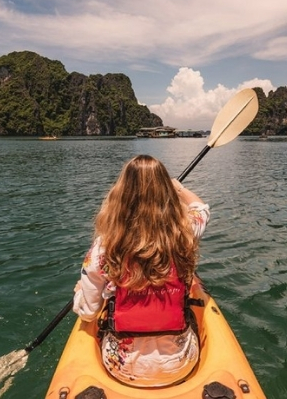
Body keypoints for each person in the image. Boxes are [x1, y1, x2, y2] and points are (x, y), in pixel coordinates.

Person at [72, 154, 211, 387]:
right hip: (179, 363)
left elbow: (88, 312)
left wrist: (79, 292)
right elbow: (202, 209)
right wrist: (178, 188)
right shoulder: (185, 234)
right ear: (166, 193)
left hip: (123, 367)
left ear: (121, 195)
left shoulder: (104, 249)